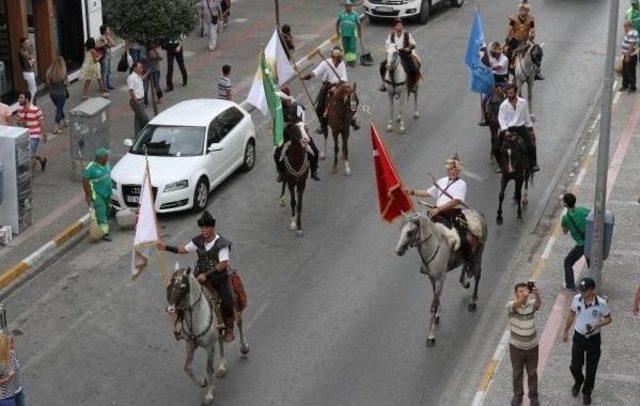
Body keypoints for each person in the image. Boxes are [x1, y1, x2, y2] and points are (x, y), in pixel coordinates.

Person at [157, 211, 236, 343]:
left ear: (212, 228)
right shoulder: (198, 241)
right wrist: (165, 247)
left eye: (206, 227)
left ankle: (229, 329)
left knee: (227, 302)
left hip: (218, 279)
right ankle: (180, 326)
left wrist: (206, 274)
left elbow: (223, 264)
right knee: (182, 293)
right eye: (202, 228)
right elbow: (183, 250)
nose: (203, 230)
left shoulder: (222, 243)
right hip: (199, 275)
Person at [404, 155, 475, 261]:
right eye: (450, 169)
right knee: (422, 232)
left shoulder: (461, 184)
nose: (453, 171)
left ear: (458, 171)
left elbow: (455, 201)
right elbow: (428, 192)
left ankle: (471, 263)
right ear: (447, 170)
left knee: (463, 240)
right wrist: (412, 192)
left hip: (453, 215)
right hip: (437, 213)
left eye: (455, 169)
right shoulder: (442, 181)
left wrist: (438, 209)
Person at [562, 277, 612, 405]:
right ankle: (579, 381)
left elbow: (608, 319)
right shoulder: (576, 299)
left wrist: (598, 324)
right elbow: (571, 315)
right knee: (574, 366)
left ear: (592, 290)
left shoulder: (601, 303)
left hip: (594, 339)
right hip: (578, 337)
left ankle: (587, 392)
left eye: (585, 291)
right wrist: (566, 331)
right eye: (581, 290)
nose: (582, 293)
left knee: (591, 369)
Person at [274, 87, 320, 182]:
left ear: (286, 98)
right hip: (287, 133)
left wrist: (292, 125)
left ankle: (313, 171)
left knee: (315, 152)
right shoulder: (280, 107)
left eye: (282, 98)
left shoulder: (298, 106)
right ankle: (281, 173)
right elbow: (280, 122)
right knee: (276, 154)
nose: (280, 99)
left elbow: (302, 122)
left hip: (300, 133)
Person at [507, 282, 541, 406]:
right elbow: (517, 303)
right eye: (520, 291)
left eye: (525, 290)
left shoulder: (530, 305)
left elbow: (537, 305)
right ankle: (518, 395)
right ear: (516, 293)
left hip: (532, 347)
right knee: (517, 373)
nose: (523, 293)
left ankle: (533, 396)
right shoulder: (511, 306)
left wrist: (537, 294)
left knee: (532, 372)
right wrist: (524, 297)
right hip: (516, 347)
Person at [301, 46, 348, 135]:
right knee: (318, 109)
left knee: (350, 102)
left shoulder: (342, 64)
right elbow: (315, 73)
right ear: (332, 57)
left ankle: (353, 120)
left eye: (340, 59)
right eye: (337, 59)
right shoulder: (325, 63)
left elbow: (344, 77)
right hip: (326, 88)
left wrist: (337, 86)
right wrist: (305, 77)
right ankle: (323, 126)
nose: (338, 62)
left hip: (338, 87)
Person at [497, 83, 539, 173]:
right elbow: (501, 119)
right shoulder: (503, 105)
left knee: (531, 145)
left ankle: (534, 164)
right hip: (508, 129)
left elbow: (526, 116)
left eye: (511, 93)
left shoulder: (523, 102)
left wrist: (530, 129)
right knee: (497, 147)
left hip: (521, 128)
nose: (509, 95)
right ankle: (500, 166)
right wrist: (505, 130)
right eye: (508, 93)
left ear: (516, 92)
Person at [505, 1, 543, 80]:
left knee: (537, 52)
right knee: (507, 52)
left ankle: (537, 72)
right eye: (522, 10)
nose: (524, 12)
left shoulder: (530, 20)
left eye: (525, 10)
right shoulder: (513, 19)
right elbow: (509, 30)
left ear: (528, 11)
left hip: (526, 40)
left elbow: (532, 30)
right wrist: (508, 38)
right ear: (519, 10)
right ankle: (507, 70)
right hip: (515, 40)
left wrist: (531, 36)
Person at [380, 19, 421, 92]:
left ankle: (413, 84)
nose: (400, 27)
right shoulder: (391, 35)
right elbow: (388, 45)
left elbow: (414, 43)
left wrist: (409, 48)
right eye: (398, 25)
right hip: (394, 55)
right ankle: (384, 82)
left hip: (404, 54)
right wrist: (390, 49)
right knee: (382, 66)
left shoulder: (407, 35)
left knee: (413, 68)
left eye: (401, 25)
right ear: (395, 27)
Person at [560, 193, 591, 292]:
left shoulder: (565, 218)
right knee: (590, 263)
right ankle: (593, 283)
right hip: (590, 241)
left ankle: (570, 286)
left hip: (581, 245)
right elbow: (592, 216)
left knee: (568, 262)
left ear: (565, 204)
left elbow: (564, 232)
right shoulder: (583, 210)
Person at [83, 147, 113, 242]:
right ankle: (105, 233)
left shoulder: (106, 164)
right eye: (106, 156)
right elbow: (85, 181)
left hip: (107, 192)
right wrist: (88, 195)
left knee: (107, 210)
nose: (108, 157)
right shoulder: (91, 168)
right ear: (101, 158)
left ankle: (104, 225)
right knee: (101, 212)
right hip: (97, 194)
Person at [16, 91, 46, 172]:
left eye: (21, 98)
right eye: (19, 98)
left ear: (27, 99)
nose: (19, 100)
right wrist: (21, 122)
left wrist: (42, 134)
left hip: (35, 135)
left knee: (30, 155)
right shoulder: (19, 110)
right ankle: (42, 159)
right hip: (25, 135)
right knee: (27, 153)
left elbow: (41, 123)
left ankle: (31, 175)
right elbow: (18, 122)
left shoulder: (36, 109)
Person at [46, 56, 69, 134]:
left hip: (52, 94)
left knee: (59, 108)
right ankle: (56, 126)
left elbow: (48, 84)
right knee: (59, 109)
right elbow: (67, 84)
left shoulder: (49, 72)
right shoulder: (63, 72)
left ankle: (65, 121)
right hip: (61, 94)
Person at [336, 0, 361, 67]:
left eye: (349, 6)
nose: (348, 7)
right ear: (345, 6)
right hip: (344, 34)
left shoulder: (355, 14)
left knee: (352, 48)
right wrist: (337, 31)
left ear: (351, 6)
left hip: (352, 34)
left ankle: (352, 61)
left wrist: (360, 32)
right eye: (346, 6)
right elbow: (337, 23)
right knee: (346, 48)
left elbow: (358, 24)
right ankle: (348, 60)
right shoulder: (341, 14)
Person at [486, 82, 507, 161]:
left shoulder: (506, 97)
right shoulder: (492, 98)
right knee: (494, 137)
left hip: (503, 121)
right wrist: (490, 118)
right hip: (494, 121)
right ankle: (492, 152)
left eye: (502, 89)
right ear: (497, 88)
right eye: (500, 88)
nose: (501, 90)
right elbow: (488, 109)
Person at [127, 61, 149, 136]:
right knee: (145, 119)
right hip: (136, 101)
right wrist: (137, 102)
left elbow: (141, 80)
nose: (141, 69)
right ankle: (147, 134)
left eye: (141, 67)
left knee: (138, 119)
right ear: (134, 68)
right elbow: (131, 91)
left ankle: (137, 135)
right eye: (140, 68)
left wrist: (147, 74)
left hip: (141, 100)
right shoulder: (131, 77)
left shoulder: (138, 76)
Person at [0, 333, 19, 406]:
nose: (12, 342)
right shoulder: (1, 362)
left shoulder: (11, 354)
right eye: (9, 342)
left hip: (15, 392)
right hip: (5, 398)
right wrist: (8, 379)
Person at [620, 20, 638, 93]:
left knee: (630, 72)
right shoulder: (630, 32)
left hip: (630, 56)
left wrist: (627, 56)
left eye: (625, 27)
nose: (624, 28)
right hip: (627, 55)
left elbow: (631, 46)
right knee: (624, 71)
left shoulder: (632, 33)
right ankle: (625, 85)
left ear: (627, 26)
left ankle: (633, 88)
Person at [96, 25, 116, 90]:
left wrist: (108, 39)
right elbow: (97, 46)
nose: (109, 31)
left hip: (108, 55)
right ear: (104, 31)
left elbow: (114, 44)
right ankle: (103, 87)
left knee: (108, 71)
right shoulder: (100, 38)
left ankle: (108, 84)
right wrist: (105, 44)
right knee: (104, 71)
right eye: (108, 30)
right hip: (104, 56)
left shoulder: (108, 37)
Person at [18, 38, 37, 105]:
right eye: (26, 43)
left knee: (30, 89)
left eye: (29, 43)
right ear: (22, 44)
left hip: (30, 71)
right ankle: (31, 104)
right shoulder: (22, 52)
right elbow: (29, 63)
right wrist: (31, 61)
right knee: (33, 90)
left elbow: (32, 59)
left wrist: (31, 60)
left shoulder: (27, 50)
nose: (28, 44)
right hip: (27, 72)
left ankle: (30, 103)